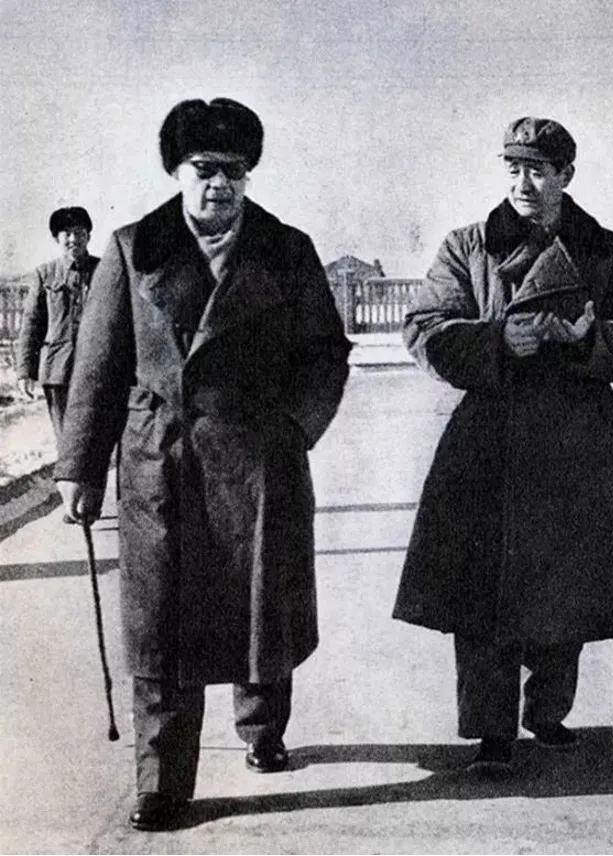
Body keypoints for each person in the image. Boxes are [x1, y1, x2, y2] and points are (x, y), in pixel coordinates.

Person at [54, 97, 351, 830]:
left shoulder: (287, 250)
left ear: (249, 178)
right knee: (161, 628)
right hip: (164, 464)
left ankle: (262, 729)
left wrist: (292, 430)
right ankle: (161, 782)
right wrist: (79, 470)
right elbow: (99, 366)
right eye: (204, 170)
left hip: (259, 461)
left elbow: (325, 356)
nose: (219, 185)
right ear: (178, 173)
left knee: (261, 608)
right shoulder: (132, 248)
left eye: (234, 172)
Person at [394, 117, 613, 777]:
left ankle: (548, 711)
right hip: (489, 437)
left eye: (538, 169)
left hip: (577, 439)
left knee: (564, 588)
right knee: (482, 589)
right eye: (512, 167)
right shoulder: (468, 246)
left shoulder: (606, 250)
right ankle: (490, 732)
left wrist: (582, 342)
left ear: (567, 175)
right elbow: (425, 327)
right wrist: (496, 342)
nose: (523, 182)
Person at [16, 206, 100, 451]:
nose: (73, 239)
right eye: (67, 234)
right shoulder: (45, 274)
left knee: (94, 442)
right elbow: (31, 324)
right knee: (67, 444)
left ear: (88, 236)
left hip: (96, 370)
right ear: (57, 238)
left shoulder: (104, 270)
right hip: (58, 371)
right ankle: (70, 488)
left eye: (79, 232)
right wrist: (24, 372)